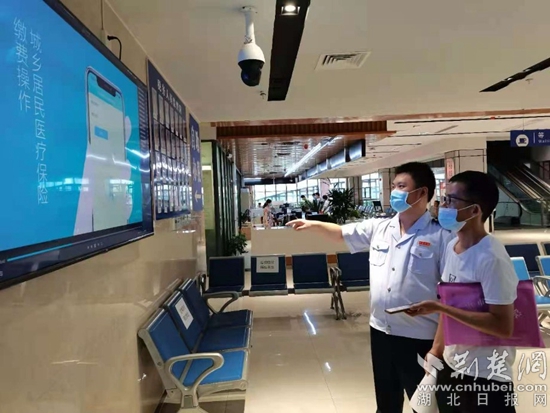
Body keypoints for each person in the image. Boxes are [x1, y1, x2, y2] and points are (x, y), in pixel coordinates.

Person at [287, 162, 453, 413]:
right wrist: (313, 225)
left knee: (426, 407)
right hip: (381, 333)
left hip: (420, 337)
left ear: (422, 193)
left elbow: (451, 298)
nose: (394, 192)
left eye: (401, 186)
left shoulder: (441, 236)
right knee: (386, 404)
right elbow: (341, 234)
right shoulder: (380, 228)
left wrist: (438, 349)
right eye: (393, 186)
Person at [406, 171, 517, 413]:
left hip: (486, 375)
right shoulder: (451, 247)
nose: (442, 206)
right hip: (453, 364)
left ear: (474, 210)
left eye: (451, 200)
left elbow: (502, 326)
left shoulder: (491, 258)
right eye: (443, 198)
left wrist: (441, 308)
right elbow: (448, 304)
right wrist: (436, 350)